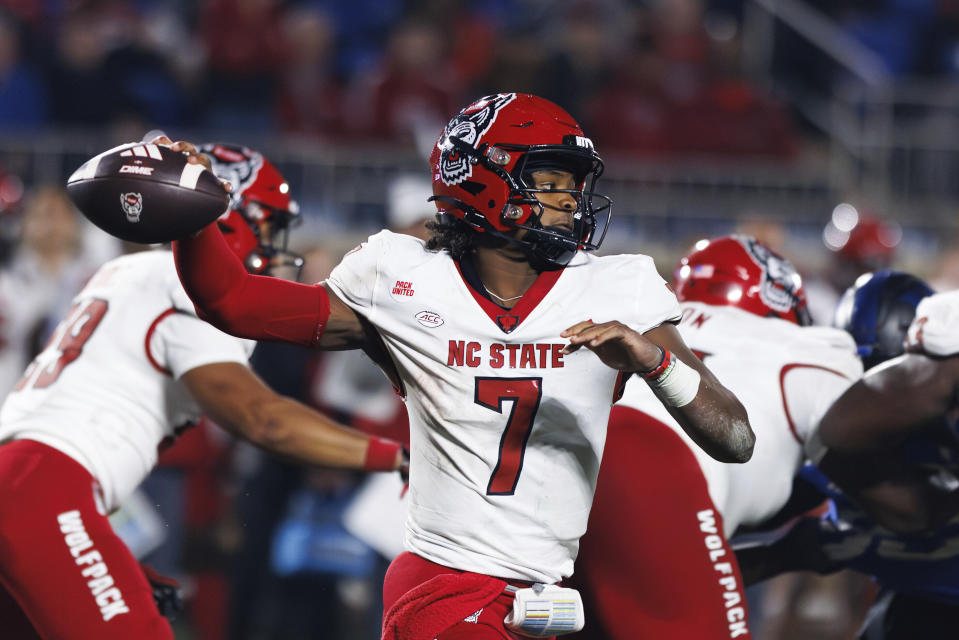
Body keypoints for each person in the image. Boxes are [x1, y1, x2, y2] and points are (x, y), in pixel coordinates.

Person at [166, 92, 754, 639]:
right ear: (482, 180)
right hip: (444, 587)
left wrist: (652, 360)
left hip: (545, 593)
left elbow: (734, 437)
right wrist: (191, 218)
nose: (569, 201)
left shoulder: (617, 287)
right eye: (548, 181)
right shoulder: (401, 277)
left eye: (574, 185)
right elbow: (234, 302)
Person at [0, 143, 406, 640]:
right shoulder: (182, 283)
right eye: (272, 229)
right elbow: (262, 419)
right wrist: (398, 458)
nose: (279, 251)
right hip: (46, 490)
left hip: (28, 485)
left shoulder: (126, 270)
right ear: (234, 218)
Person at [566, 235, 863, 640]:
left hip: (571, 468)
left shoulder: (649, 322)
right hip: (658, 468)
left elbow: (683, 564)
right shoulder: (815, 348)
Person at [734, 270, 959, 639]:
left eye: (889, 379)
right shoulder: (837, 452)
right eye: (862, 381)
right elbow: (763, 527)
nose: (871, 400)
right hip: (906, 607)